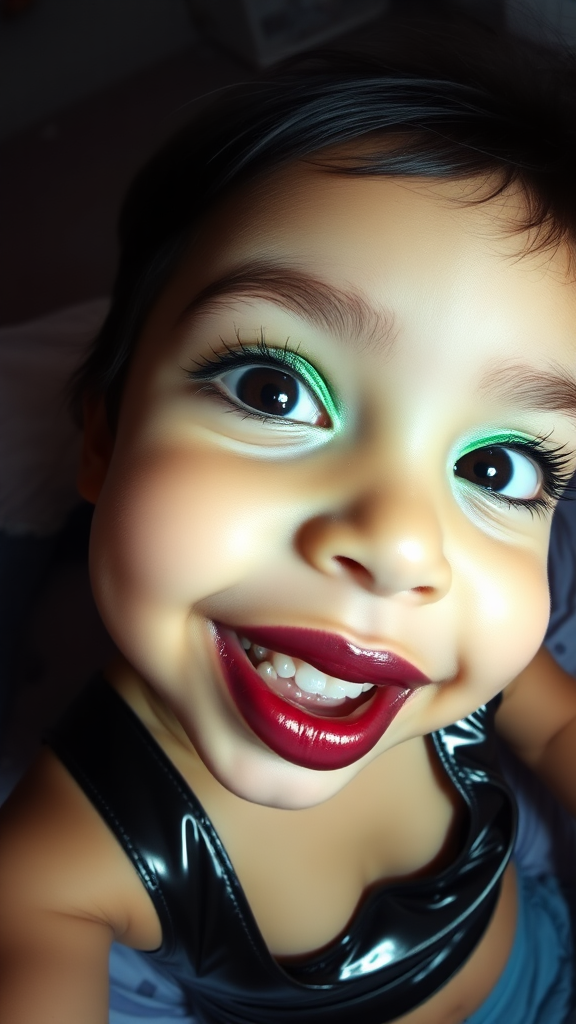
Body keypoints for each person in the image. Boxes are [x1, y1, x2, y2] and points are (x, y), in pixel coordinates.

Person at [0, 23, 575, 1024]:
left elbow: (562, 726)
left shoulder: (458, 662)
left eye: (497, 465)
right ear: (103, 433)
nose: (402, 546)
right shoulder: (62, 854)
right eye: (272, 389)